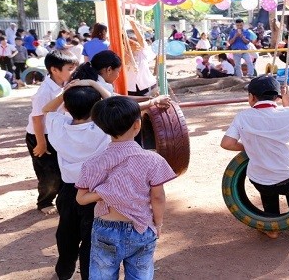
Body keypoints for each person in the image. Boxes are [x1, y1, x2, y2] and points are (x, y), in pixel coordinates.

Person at [75, 96, 177, 279]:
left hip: (105, 228)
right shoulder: (153, 160)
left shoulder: (93, 163)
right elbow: (158, 197)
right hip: (142, 227)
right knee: (140, 275)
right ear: (137, 125)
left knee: (102, 275)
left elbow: (81, 199)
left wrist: (103, 192)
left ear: (103, 127)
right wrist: (158, 223)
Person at [220, 76, 289, 241]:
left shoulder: (243, 116)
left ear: (252, 97)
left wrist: (250, 146)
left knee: (267, 188)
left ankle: (272, 230)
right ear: (278, 97)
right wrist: (287, 102)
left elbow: (227, 143)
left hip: (261, 180)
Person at [42, 80, 111, 280]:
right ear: (96, 108)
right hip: (95, 193)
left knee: (66, 235)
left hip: (69, 191)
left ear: (67, 107)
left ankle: (63, 272)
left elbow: (47, 109)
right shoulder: (101, 129)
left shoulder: (59, 127)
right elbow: (116, 103)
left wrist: (67, 92)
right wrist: (93, 84)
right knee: (91, 240)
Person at [26, 52, 79, 214]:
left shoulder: (65, 84)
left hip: (56, 133)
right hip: (40, 135)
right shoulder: (45, 92)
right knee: (49, 174)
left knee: (62, 168)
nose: (74, 71)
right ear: (54, 70)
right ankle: (44, 202)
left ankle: (64, 200)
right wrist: (41, 143)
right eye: (70, 68)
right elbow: (37, 119)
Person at [126, 19, 157, 96]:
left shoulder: (143, 51)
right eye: (130, 40)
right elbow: (124, 62)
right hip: (129, 88)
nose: (132, 42)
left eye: (134, 39)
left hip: (146, 86)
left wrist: (134, 26)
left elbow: (141, 40)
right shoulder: (123, 53)